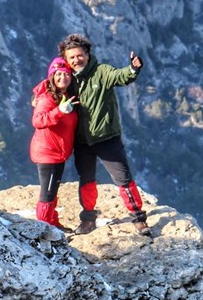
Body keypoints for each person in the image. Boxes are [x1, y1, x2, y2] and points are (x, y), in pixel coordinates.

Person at [57, 33, 151, 236]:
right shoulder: (68, 78)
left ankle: (138, 218)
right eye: (71, 57)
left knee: (123, 178)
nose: (76, 60)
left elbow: (121, 76)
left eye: (79, 55)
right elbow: (49, 88)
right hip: (82, 140)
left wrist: (134, 68)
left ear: (88, 55)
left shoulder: (101, 71)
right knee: (87, 180)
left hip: (107, 137)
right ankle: (88, 220)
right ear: (66, 60)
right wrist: (36, 99)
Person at [29, 56, 78, 231]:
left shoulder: (64, 96)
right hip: (48, 153)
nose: (62, 78)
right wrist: (59, 112)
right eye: (58, 75)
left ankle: (52, 222)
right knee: (47, 193)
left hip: (57, 153)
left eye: (66, 74)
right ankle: (43, 229)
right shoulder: (48, 98)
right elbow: (38, 120)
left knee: (53, 190)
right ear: (51, 76)